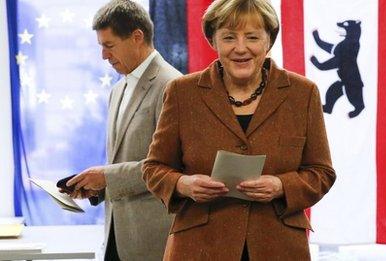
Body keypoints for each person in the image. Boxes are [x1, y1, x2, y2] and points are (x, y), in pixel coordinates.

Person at [141, 0, 336, 260]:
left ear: (268, 41)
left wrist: (281, 185)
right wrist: (183, 184)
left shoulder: (303, 93)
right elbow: (153, 168)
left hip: (278, 247)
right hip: (199, 247)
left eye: (252, 37)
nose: (241, 48)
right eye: (229, 37)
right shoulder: (181, 92)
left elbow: (321, 173)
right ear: (214, 41)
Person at [64, 0, 182, 260]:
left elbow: (172, 166)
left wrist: (107, 177)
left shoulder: (173, 86)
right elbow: (122, 163)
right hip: (117, 237)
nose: (103, 56)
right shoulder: (117, 90)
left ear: (137, 37)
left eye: (109, 45)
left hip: (153, 243)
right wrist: (97, 187)